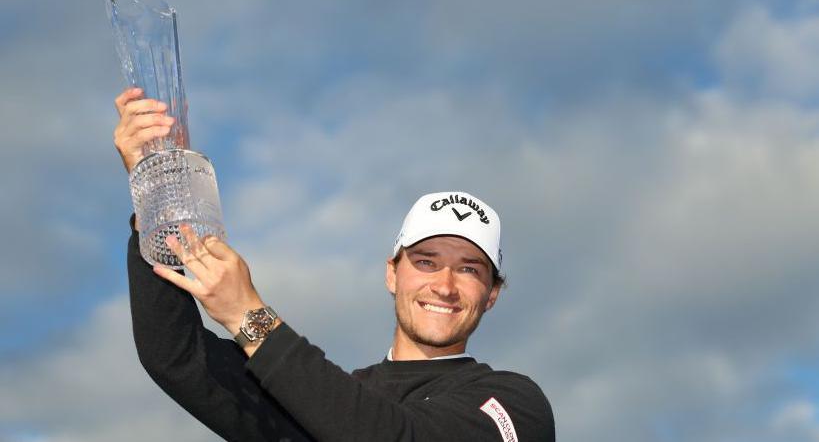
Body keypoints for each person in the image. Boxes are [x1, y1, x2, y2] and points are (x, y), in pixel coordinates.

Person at [114, 87, 556, 441]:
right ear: (391, 272)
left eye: (468, 269)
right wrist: (156, 193)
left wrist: (251, 317)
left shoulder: (513, 405)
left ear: (492, 294)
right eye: (425, 261)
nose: (444, 284)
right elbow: (178, 357)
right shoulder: (322, 400)